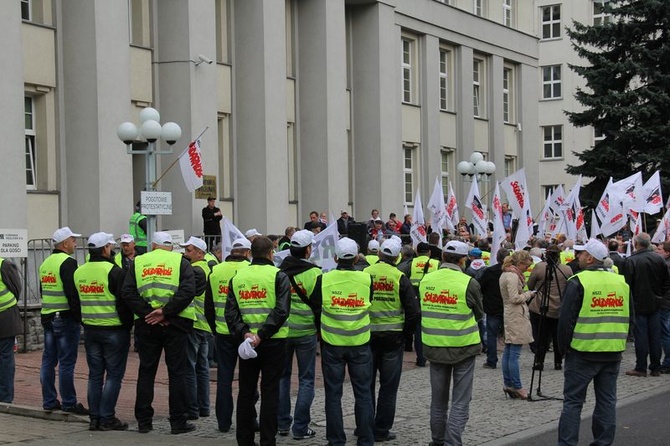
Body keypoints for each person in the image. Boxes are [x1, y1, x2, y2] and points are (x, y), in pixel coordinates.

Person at [556, 238, 632, 446]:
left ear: (589, 258)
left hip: (582, 352)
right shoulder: (621, 282)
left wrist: (563, 349)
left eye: (580, 254)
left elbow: (565, 321)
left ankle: (567, 444)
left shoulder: (578, 281)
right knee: (607, 401)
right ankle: (603, 442)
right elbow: (630, 317)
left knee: (573, 402)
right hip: (613, 351)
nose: (577, 257)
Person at [122, 231, 197, 435]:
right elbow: (188, 291)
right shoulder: (180, 262)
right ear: (170, 247)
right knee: (177, 373)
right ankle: (178, 421)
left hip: (147, 324)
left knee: (146, 371)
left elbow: (127, 292)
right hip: (176, 323)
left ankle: (144, 422)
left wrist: (150, 314)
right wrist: (165, 312)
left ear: (153, 246)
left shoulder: (138, 262)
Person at [309, 237, 375, 446]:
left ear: (335, 257)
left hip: (332, 344)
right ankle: (366, 440)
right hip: (360, 343)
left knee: (333, 394)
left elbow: (315, 306)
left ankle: (336, 440)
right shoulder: (366, 279)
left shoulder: (324, 279)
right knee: (363, 393)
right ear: (356, 258)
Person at [226, 236, 291, 446]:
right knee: (270, 391)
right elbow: (281, 311)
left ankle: (244, 440)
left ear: (251, 253)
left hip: (247, 344)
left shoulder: (238, 277)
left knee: (246, 391)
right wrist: (261, 335)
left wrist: (245, 333)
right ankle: (267, 440)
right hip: (273, 341)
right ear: (272, 252)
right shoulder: (278, 276)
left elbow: (231, 312)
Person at [419, 240, 483, 446]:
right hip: (463, 346)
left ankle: (437, 441)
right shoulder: (468, 283)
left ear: (443, 257)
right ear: (463, 260)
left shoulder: (426, 280)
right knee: (460, 401)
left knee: (438, 401)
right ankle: (452, 443)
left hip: (434, 346)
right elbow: (479, 314)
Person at [364, 238, 420, 442]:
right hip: (392, 337)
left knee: (365, 384)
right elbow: (413, 312)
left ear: (379, 254)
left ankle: (364, 425)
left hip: (367, 336)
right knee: (388, 387)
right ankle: (381, 431)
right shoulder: (399, 277)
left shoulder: (365, 274)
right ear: (397, 257)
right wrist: (406, 336)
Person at [76, 232, 132, 431]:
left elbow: (76, 302)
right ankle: (107, 417)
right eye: (110, 245)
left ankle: (94, 418)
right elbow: (124, 301)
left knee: (95, 375)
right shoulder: (114, 271)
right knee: (114, 376)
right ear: (105, 249)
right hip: (114, 330)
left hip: (91, 329)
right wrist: (127, 325)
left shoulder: (79, 271)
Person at [277, 230, 322, 440]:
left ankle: (282, 423)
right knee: (306, 380)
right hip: (306, 332)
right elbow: (319, 306)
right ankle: (300, 428)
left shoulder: (280, 271)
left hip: (283, 331)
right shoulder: (315, 274)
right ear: (307, 249)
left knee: (282, 377)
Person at [39, 226, 88, 414]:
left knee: (48, 360)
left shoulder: (45, 263)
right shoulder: (68, 263)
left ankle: (49, 401)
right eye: (73, 240)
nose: (75, 243)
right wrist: (79, 318)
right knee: (67, 362)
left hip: (47, 316)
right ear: (65, 243)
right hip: (64, 318)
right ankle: (69, 402)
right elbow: (72, 293)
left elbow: (44, 291)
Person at [207, 237, 251, 433]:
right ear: (248, 253)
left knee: (224, 378)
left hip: (222, 331)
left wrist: (215, 326)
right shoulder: (249, 270)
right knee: (248, 379)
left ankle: (223, 422)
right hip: (245, 333)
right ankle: (249, 419)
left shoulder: (216, 270)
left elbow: (208, 305)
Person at [622, 232, 670, 377]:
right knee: (655, 336)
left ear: (636, 244)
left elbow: (626, 285)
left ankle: (641, 367)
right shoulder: (658, 259)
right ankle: (655, 367)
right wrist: (659, 295)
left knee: (641, 336)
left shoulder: (631, 261)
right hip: (655, 303)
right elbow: (666, 282)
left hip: (639, 304)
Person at [179, 236, 213, 420]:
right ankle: (204, 407)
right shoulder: (208, 267)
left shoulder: (195, 270)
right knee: (202, 368)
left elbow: (186, 294)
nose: (185, 254)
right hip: (204, 324)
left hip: (194, 322)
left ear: (200, 253)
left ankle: (192, 409)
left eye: (189, 250)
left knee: (190, 368)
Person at [527, 245, 571, 371]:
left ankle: (539, 361)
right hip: (559, 307)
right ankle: (558, 362)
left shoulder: (539, 267)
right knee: (557, 336)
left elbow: (530, 285)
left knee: (541, 336)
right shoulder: (567, 269)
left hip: (541, 307)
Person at [499, 250, 534, 399]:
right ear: (519, 264)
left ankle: (509, 384)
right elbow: (514, 297)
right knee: (514, 353)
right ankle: (517, 386)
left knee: (509, 350)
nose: (527, 269)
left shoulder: (506, 274)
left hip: (510, 314)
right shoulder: (512, 276)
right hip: (515, 315)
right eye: (526, 266)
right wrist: (529, 294)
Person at [399, 242, 439, 367]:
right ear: (429, 252)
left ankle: (421, 359)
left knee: (418, 330)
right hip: (432, 299)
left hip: (416, 299)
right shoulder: (437, 264)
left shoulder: (411, 264)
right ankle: (435, 355)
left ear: (416, 252)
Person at [478, 248, 510, 369]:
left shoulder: (490, 271)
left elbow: (480, 285)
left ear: (497, 258)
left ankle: (491, 360)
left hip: (492, 307)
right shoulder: (511, 272)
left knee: (492, 335)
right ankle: (509, 359)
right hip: (507, 307)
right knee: (509, 335)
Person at [0, 257, 23, 403]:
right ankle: (5, 399)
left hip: (5, 317)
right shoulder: (4, 264)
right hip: (6, 315)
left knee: (5, 358)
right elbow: (16, 288)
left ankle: (4, 398)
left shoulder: (4, 264)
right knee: (5, 358)